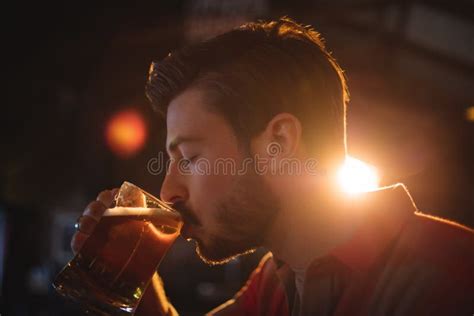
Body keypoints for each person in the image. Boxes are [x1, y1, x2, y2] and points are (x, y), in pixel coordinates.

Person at [72, 18, 474, 315]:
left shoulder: (449, 277)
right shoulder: (274, 282)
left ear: (279, 142)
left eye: (190, 158)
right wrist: (133, 282)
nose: (167, 193)